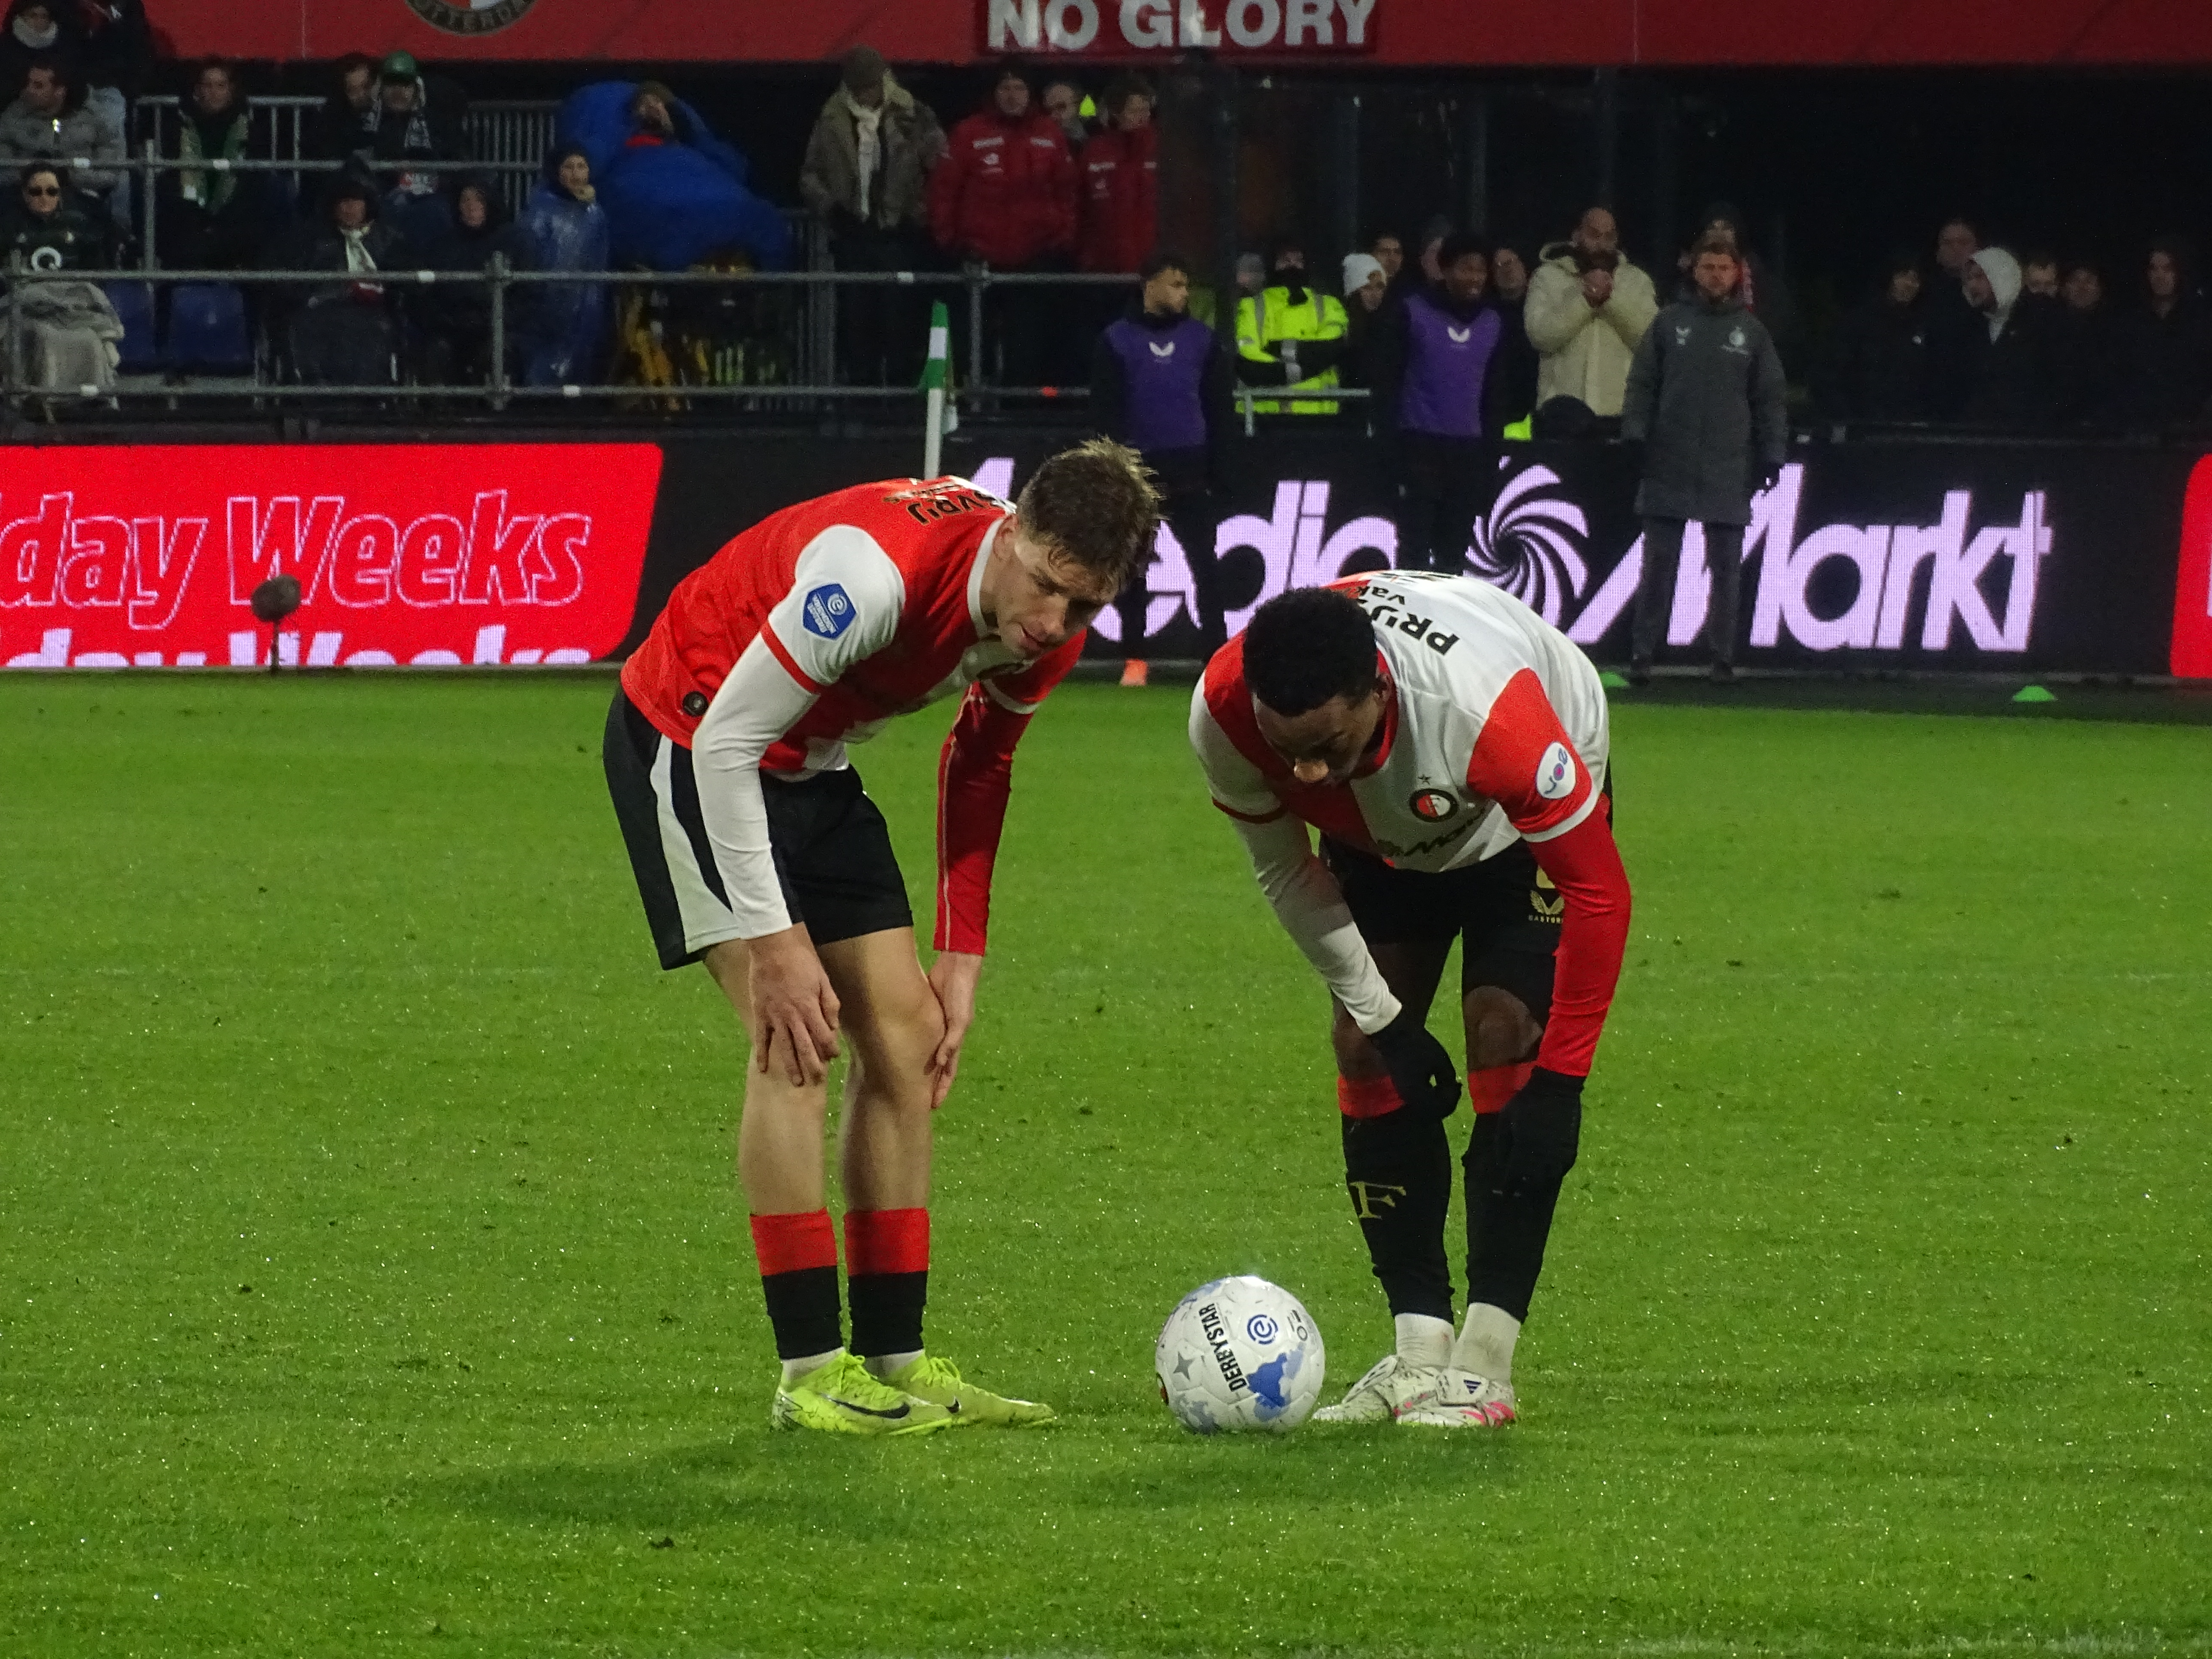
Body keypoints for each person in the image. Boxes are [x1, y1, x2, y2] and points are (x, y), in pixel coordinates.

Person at [602, 441, 1158, 1435]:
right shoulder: (872, 581)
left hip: (807, 761)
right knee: (796, 1037)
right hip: (690, 737)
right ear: (1010, 534)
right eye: (1044, 586)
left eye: (1083, 607)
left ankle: (897, 1358)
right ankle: (810, 1371)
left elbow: (980, 763)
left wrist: (962, 956)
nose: (1052, 623)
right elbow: (726, 742)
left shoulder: (1044, 628)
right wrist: (778, 948)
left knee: (908, 1039)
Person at [1187, 576, 1630, 1428]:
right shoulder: (1225, 714)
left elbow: (1600, 894)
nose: (1305, 771)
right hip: (1383, 829)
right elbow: (1284, 869)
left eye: (1325, 745)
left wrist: (1561, 1085)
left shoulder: (1491, 718)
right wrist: (1387, 1023)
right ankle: (1418, 1352)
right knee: (1361, 1047)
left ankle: (1485, 1368)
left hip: (1512, 817)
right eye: (1289, 750)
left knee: (1504, 1031)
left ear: (1377, 691)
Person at [1622, 232, 1787, 685]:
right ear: (1693, 270)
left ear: (1737, 274)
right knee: (1658, 567)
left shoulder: (1752, 332)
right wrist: (1635, 434)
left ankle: (1723, 659)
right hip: (1668, 459)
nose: (1716, 276)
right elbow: (1642, 385)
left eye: (1724, 268)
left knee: (1726, 571)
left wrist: (1773, 453)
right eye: (1708, 267)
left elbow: (1770, 399)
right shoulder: (1668, 323)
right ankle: (1642, 656)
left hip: (1728, 464)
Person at [1091, 250, 1234, 677]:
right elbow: (1106, 414)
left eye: (1186, 285)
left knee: (1205, 566)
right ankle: (1135, 660)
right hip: (1138, 471)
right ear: (1149, 284)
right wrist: (1113, 470)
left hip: (1190, 469)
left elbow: (1219, 409)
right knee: (1133, 571)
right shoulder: (1116, 340)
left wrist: (1221, 470)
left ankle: (1216, 658)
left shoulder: (1203, 341)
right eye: (1176, 284)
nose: (1184, 292)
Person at [799, 45, 946, 388]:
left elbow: (941, 168)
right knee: (857, 319)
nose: (866, 95)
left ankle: (900, 392)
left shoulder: (913, 114)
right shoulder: (831, 120)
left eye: (871, 86)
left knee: (901, 318)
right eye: (859, 88)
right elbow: (810, 175)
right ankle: (859, 392)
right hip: (854, 234)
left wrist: (918, 212)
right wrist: (832, 209)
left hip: (900, 235)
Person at [1370, 230, 1514, 574]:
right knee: (1414, 552)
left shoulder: (1493, 322)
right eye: (1466, 269)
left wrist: (1489, 462)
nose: (1475, 279)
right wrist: (1390, 453)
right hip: (1418, 448)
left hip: (1468, 454)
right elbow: (1386, 385)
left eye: (1481, 271)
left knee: (1454, 556)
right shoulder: (1411, 311)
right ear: (1445, 270)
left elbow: (1494, 398)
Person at [928, 63, 1079, 387]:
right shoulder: (969, 133)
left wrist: (1060, 238)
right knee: (973, 343)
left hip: (1034, 256)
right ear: (994, 93)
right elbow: (944, 190)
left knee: (1027, 346)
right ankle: (974, 403)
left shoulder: (1050, 134)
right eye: (1005, 88)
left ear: (1030, 94)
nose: (1013, 96)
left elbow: (1068, 191)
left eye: (1020, 88)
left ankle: (1019, 406)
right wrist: (951, 241)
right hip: (978, 257)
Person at [1523, 206, 1657, 419]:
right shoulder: (1547, 277)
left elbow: (1651, 340)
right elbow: (1540, 336)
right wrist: (1585, 301)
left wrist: (1610, 300)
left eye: (1609, 237)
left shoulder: (1637, 282)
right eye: (1594, 235)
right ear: (1576, 235)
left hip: (1619, 413)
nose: (1602, 245)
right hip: (1560, 414)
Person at [0, 160, 120, 391]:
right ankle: (46, 398)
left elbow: (95, 272)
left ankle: (93, 397)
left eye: (52, 191)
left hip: (71, 307)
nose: (44, 197)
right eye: (36, 192)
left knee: (90, 340)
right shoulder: (8, 227)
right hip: (25, 309)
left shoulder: (79, 225)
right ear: (24, 194)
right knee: (44, 337)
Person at [279, 175, 408, 386]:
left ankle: (370, 389)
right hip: (324, 310)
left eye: (356, 202)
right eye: (344, 203)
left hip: (375, 312)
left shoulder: (389, 240)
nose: (350, 209)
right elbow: (298, 281)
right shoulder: (314, 241)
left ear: (367, 206)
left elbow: (404, 280)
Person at [158, 58, 271, 272]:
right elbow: (172, 179)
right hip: (188, 222)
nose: (214, 93)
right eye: (208, 86)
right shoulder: (178, 129)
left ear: (231, 91)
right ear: (197, 90)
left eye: (220, 86)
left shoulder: (251, 131)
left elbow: (253, 183)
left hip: (236, 222)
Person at [420, 173, 533, 386]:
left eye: (479, 200)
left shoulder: (514, 242)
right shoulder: (442, 246)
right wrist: (446, 320)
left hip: (499, 328)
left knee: (499, 352)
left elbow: (528, 295)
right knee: (436, 352)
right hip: (452, 329)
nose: (472, 207)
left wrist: (495, 319)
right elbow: (427, 296)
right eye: (465, 200)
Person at [521, 143, 610, 387]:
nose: (576, 174)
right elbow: (529, 256)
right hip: (546, 302)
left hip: (584, 303)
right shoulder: (540, 210)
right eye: (569, 167)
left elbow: (600, 259)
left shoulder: (595, 213)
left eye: (581, 167)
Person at [1234, 239, 1349, 415]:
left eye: (1299, 260)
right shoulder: (1250, 306)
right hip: (1263, 417)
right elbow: (1249, 360)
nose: (1293, 266)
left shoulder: (1329, 305)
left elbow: (1331, 349)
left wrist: (1278, 349)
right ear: (1272, 265)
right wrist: (1307, 360)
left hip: (1320, 416)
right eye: (1285, 260)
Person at [1954, 246, 2062, 429]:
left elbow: (2060, 383)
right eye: (1969, 279)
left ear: (2001, 276)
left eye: (1979, 277)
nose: (1972, 286)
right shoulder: (1968, 325)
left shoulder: (2043, 318)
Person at [368, 51, 468, 247]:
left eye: (405, 84)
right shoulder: (373, 122)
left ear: (416, 87)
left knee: (436, 212)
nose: (398, 92)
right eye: (391, 84)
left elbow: (457, 161)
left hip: (437, 194)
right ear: (380, 88)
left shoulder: (438, 120)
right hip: (388, 195)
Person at [2113, 241, 2212, 432]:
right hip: (2139, 427)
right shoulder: (2130, 322)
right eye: (2154, 269)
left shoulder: (2202, 321)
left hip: (2191, 428)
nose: (2160, 276)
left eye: (2167, 269)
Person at [1820, 249, 1925, 422]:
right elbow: (1830, 375)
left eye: (1915, 279)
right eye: (1903, 276)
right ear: (1889, 278)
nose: (1909, 284)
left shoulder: (1919, 325)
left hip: (1904, 426)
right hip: (1863, 425)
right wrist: (1848, 419)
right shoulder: (1859, 322)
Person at [0, 55, 123, 201]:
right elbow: (3, 169)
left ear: (60, 91)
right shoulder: (13, 117)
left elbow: (111, 173)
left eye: (38, 86)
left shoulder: (96, 119)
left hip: (81, 197)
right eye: (28, 83)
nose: (29, 90)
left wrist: (69, 177)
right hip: (25, 198)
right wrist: (32, 175)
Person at [1075, 75, 1155, 278]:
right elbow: (1079, 204)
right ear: (1117, 113)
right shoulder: (1095, 151)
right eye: (1135, 111)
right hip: (1104, 265)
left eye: (1146, 110)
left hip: (1154, 267)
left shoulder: (1162, 149)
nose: (1143, 117)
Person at [1920, 215, 1983, 421]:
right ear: (1938, 252)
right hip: (1931, 406)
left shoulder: (1993, 296)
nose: (1956, 249)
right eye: (1948, 243)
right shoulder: (1920, 295)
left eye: (1963, 243)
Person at [304, 52, 378, 167]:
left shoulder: (389, 113)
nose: (361, 95)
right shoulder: (332, 123)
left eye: (366, 87)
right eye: (353, 91)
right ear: (341, 93)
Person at [1338, 250, 1389, 386]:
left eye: (1380, 287)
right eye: (1367, 288)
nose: (1375, 295)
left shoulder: (1391, 327)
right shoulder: (1341, 326)